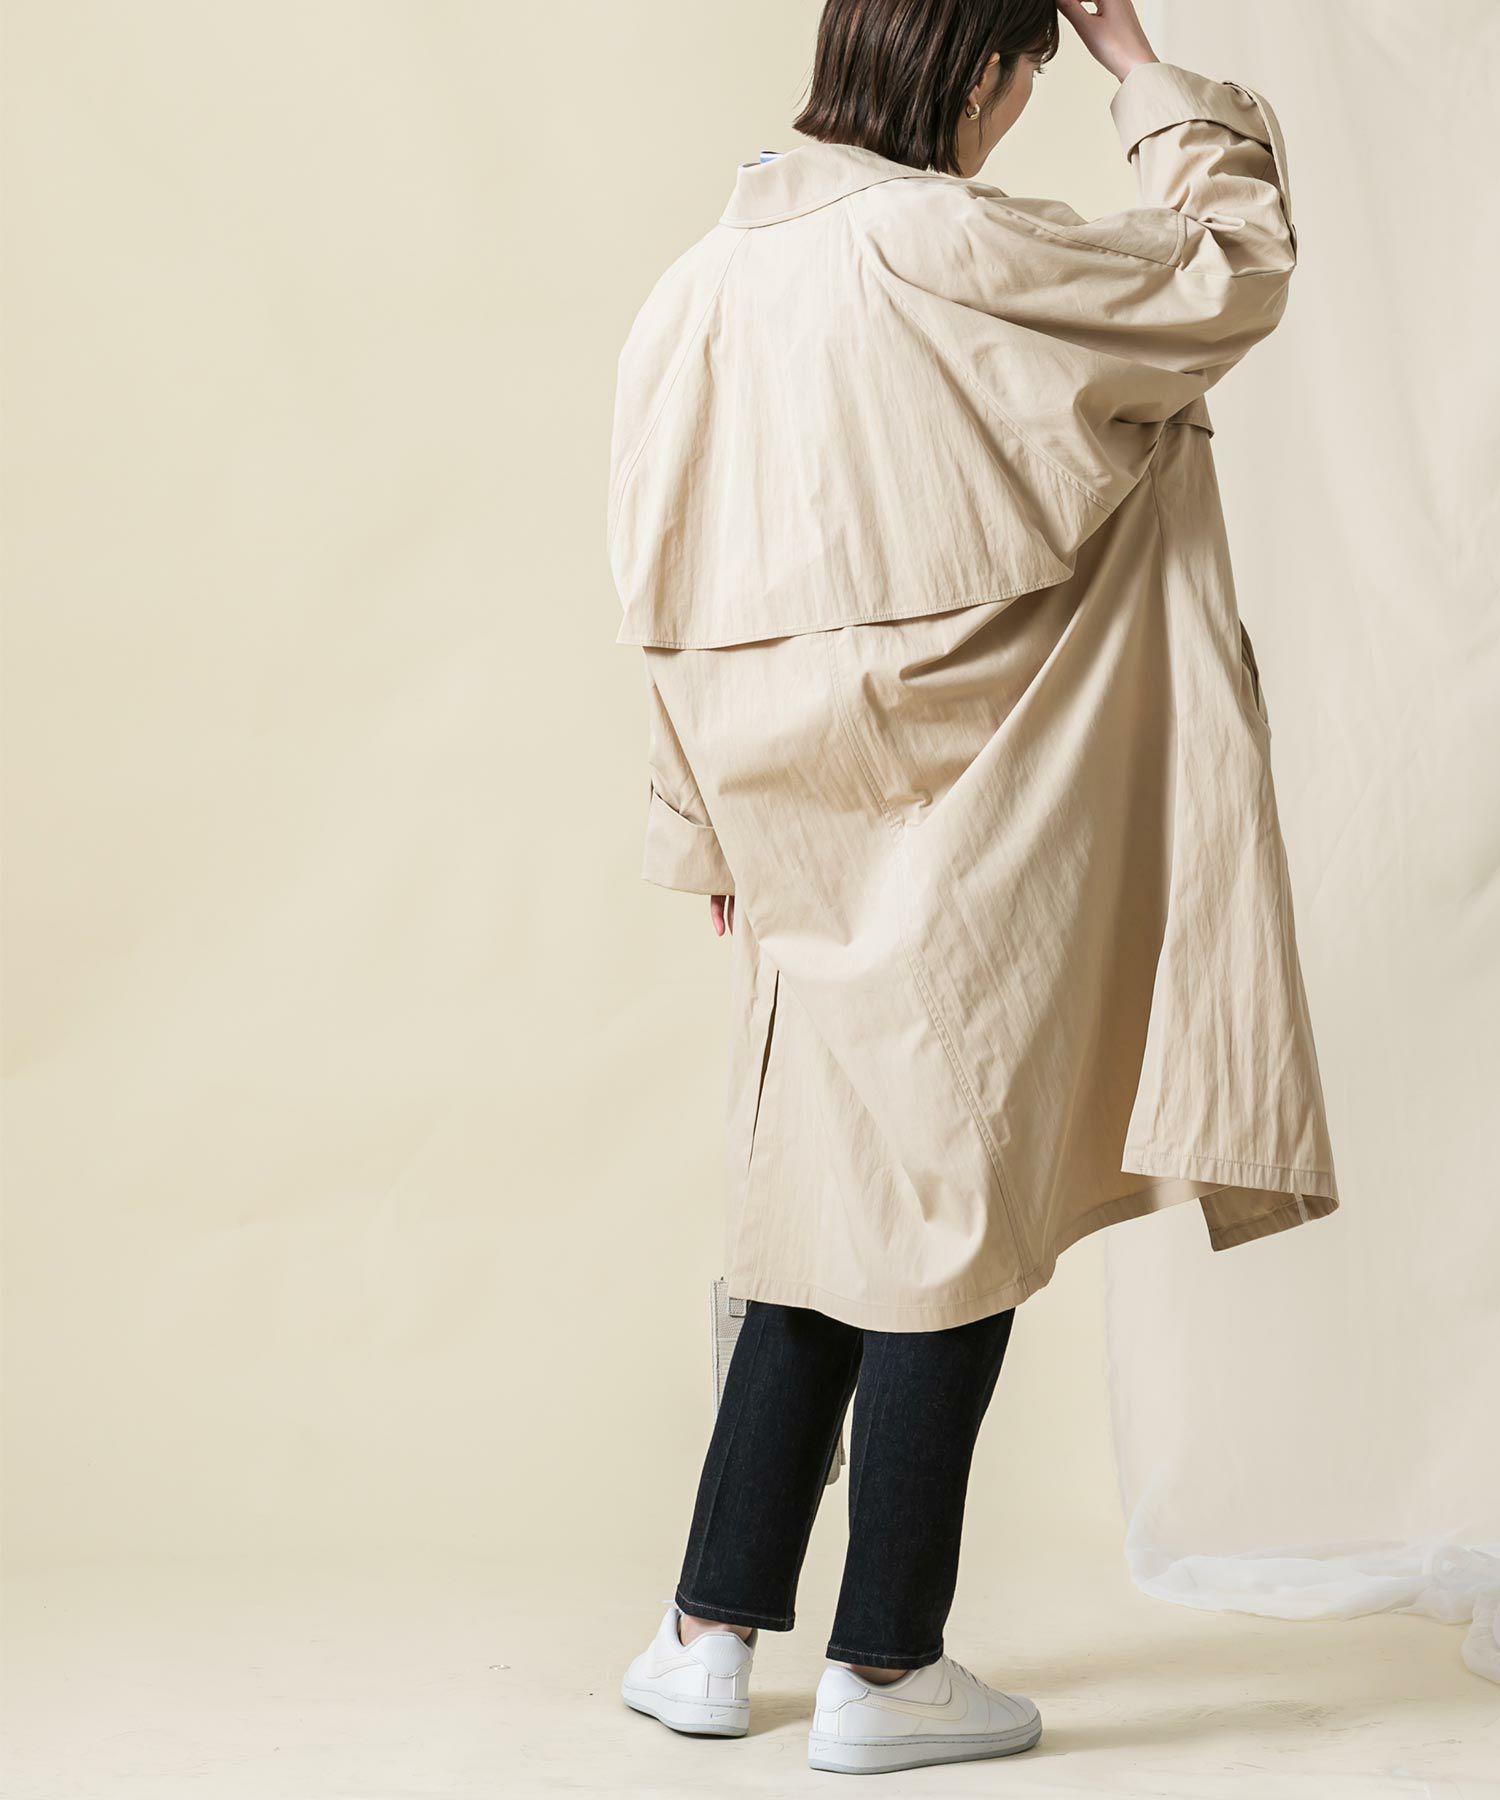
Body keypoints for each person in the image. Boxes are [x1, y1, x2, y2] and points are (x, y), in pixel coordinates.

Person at [606, 0, 1338, 1776]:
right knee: (952, 1210)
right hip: (984, 786)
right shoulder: (954, 246)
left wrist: (700, 821)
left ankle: (707, 1635)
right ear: (989, 69)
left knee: (818, 1195)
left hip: (790, 801)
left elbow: (654, 571)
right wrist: (1144, 70)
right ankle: (885, 1666)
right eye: (1026, 76)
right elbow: (1230, 271)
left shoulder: (698, 287)